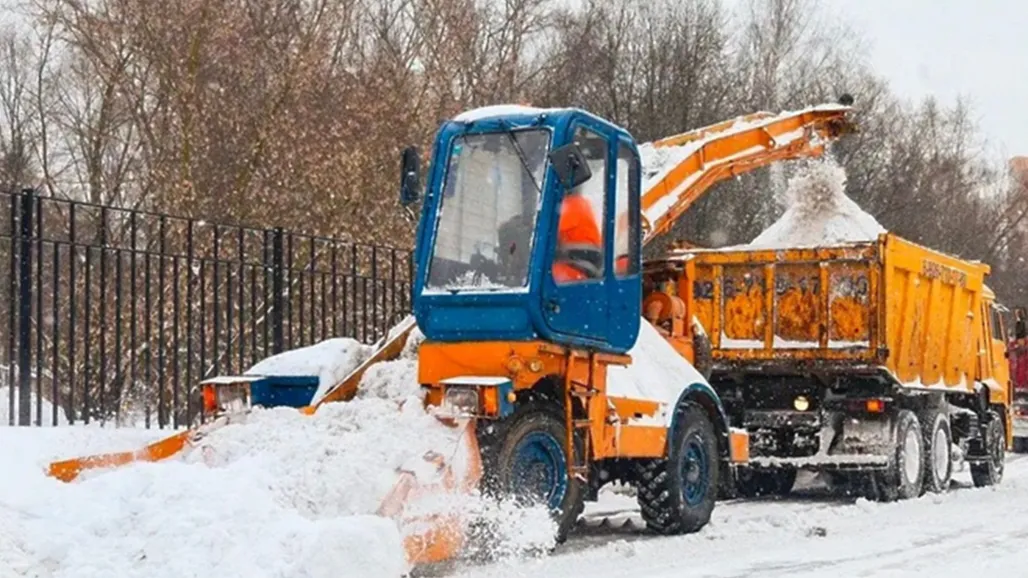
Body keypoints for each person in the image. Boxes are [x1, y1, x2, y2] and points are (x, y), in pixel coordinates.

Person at [553, 186, 603, 283]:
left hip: (579, 264)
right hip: (588, 265)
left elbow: (550, 240)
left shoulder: (567, 206)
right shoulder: (581, 204)